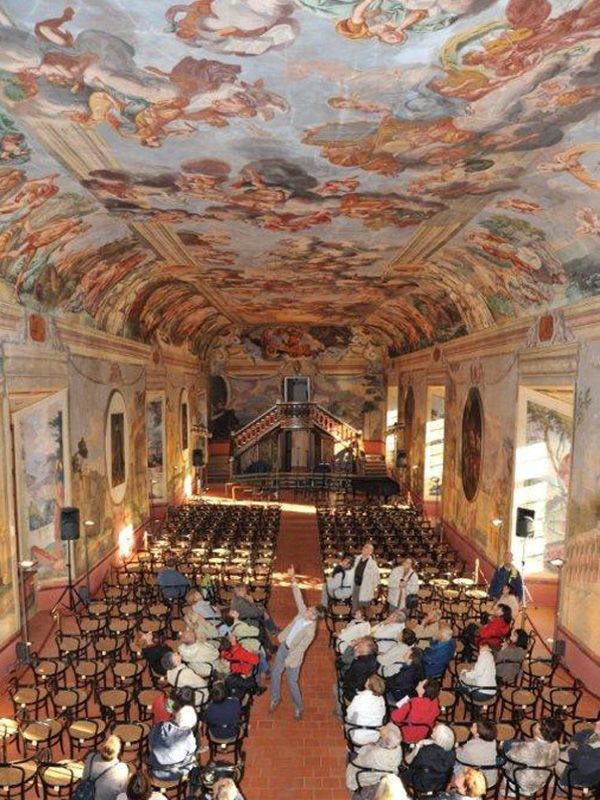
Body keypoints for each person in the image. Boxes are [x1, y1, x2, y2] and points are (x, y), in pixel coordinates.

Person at [269, 565, 325, 720]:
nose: (308, 610)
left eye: (311, 611)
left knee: (292, 682)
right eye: (310, 609)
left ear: (314, 618)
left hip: (294, 656)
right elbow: (298, 596)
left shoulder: (310, 632)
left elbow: (301, 649)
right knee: (275, 673)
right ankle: (275, 697)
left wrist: (287, 661)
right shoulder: (302, 613)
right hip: (284, 646)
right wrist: (293, 578)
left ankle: (298, 707)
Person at [503, 717, 564, 795]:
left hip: (524, 780)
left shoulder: (530, 746)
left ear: (540, 731)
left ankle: (513, 788)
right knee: (514, 743)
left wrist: (511, 748)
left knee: (506, 745)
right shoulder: (555, 744)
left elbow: (511, 756)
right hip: (543, 778)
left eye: (538, 724)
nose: (536, 724)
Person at [345, 724, 403, 792]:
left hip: (371, 774)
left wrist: (366, 748)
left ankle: (352, 786)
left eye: (382, 736)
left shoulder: (375, 753)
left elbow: (362, 761)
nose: (380, 737)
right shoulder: (398, 748)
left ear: (386, 739)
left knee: (352, 765)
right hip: (386, 774)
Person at [148, 705, 198, 781]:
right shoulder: (189, 737)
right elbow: (190, 753)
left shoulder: (159, 727)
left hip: (156, 769)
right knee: (193, 758)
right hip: (176, 773)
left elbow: (151, 743)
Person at [403, 723, 456, 794]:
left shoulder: (426, 752)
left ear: (438, 738)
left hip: (422, 783)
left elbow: (408, 763)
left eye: (435, 731)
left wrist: (418, 746)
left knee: (404, 772)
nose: (432, 731)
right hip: (441, 784)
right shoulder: (452, 753)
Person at [391, 678, 441, 744]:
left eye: (421, 682)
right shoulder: (435, 702)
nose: (419, 682)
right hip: (423, 735)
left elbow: (394, 717)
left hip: (406, 735)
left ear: (423, 691)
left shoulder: (411, 704)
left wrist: (403, 706)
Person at [81, 735, 129, 800]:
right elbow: (122, 793)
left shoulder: (91, 757)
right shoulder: (122, 769)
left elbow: (84, 777)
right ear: (118, 751)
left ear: (102, 747)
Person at [455, 720, 499, 789]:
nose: (473, 724)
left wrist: (456, 747)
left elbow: (458, 757)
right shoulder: (493, 741)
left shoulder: (470, 748)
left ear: (477, 734)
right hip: (491, 779)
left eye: (475, 726)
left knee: (453, 760)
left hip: (475, 782)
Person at [558, 720, 600, 790]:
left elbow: (583, 767)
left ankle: (561, 785)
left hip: (575, 772)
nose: (597, 723)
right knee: (550, 746)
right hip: (574, 755)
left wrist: (572, 750)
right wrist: (574, 743)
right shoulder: (595, 734)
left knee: (546, 761)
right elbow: (580, 734)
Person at [346, 674, 387, 746]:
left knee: (346, 718)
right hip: (375, 736)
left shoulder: (359, 698)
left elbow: (349, 714)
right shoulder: (381, 700)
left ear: (368, 684)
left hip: (358, 737)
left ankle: (350, 746)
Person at [220, 632, 262, 697]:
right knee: (259, 655)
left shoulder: (223, 653)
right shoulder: (239, 651)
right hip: (243, 671)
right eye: (231, 636)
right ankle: (255, 687)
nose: (234, 635)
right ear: (231, 641)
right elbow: (256, 660)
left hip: (232, 671)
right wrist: (254, 653)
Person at [342, 637, 379, 702]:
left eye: (359, 645)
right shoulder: (374, 659)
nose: (357, 646)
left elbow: (347, 677)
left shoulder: (358, 663)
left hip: (353, 693)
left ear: (364, 649)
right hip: (363, 689)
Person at [352, 543, 381, 612]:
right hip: (355, 586)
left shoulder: (373, 564)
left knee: (363, 609)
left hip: (366, 589)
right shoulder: (356, 559)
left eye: (366, 547)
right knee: (354, 606)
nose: (363, 548)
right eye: (364, 547)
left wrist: (375, 591)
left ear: (370, 552)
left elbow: (376, 579)